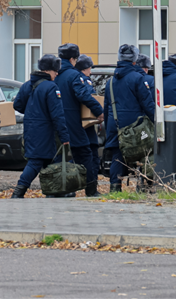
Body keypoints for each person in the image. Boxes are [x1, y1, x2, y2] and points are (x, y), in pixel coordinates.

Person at [11, 54, 71, 199]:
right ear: (49, 70)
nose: (57, 73)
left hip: (30, 129)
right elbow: (58, 115)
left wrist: (33, 112)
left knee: (47, 160)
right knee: (36, 162)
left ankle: (53, 190)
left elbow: (17, 105)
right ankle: (18, 191)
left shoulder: (27, 85)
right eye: (56, 70)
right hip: (45, 131)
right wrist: (65, 136)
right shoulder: (51, 87)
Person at [103, 45, 156, 192]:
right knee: (144, 154)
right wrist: (156, 122)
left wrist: (109, 130)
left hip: (115, 125)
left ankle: (114, 188)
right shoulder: (138, 79)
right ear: (134, 61)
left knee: (117, 157)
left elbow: (106, 108)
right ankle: (143, 186)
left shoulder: (110, 82)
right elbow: (147, 104)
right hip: (135, 126)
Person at [55, 44, 103, 198]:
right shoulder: (73, 75)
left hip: (56, 122)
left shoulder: (54, 75)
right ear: (72, 59)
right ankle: (91, 190)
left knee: (58, 157)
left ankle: (58, 190)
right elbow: (83, 95)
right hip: (72, 121)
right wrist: (99, 111)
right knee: (85, 154)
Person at [75, 54, 102, 197]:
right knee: (91, 156)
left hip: (76, 124)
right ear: (85, 68)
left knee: (77, 156)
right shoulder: (84, 80)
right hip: (87, 124)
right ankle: (92, 188)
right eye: (89, 68)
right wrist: (99, 111)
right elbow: (89, 96)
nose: (91, 71)